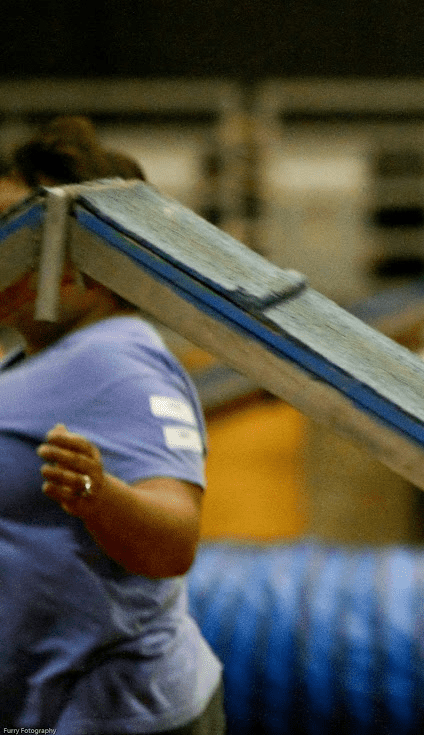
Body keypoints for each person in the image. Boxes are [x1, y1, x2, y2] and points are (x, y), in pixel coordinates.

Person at [0, 117, 224, 734]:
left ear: (90, 258)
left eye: (17, 228)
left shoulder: (116, 360)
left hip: (124, 716)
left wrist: (101, 494)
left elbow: (173, 540)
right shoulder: (32, 359)